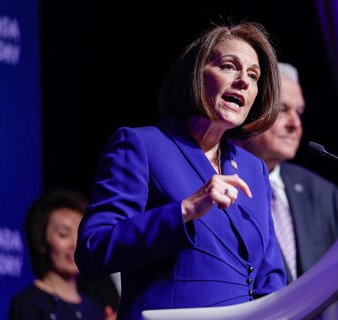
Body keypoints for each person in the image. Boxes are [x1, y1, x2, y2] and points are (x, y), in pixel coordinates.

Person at [74, 21, 286, 320]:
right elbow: (94, 248)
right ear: (195, 76)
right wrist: (183, 211)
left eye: (253, 76)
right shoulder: (143, 145)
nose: (244, 82)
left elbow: (270, 277)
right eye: (229, 67)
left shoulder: (254, 170)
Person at [234, 62, 338, 283]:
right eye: (282, 109)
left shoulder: (322, 193)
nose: (296, 124)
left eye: (299, 112)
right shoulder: (214, 182)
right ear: (248, 110)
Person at [9, 188, 118, 320]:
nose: (74, 244)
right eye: (63, 235)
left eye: (80, 235)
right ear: (42, 241)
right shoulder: (28, 304)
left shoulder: (96, 308)